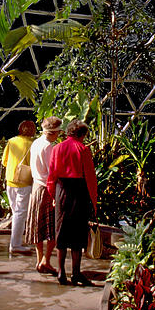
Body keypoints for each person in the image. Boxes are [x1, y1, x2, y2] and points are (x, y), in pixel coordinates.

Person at [46, 119, 98, 286]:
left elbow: (52, 174)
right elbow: (90, 177)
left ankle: (61, 272)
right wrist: (94, 201)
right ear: (81, 135)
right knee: (78, 233)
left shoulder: (57, 148)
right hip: (79, 192)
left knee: (61, 230)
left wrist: (53, 195)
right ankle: (76, 273)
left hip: (62, 190)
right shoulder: (83, 149)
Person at [23, 116, 62, 275]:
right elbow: (52, 171)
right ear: (53, 132)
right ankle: (46, 259)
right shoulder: (48, 147)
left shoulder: (36, 143)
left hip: (36, 187)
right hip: (47, 188)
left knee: (37, 226)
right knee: (51, 228)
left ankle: (39, 260)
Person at [2, 120, 36, 254]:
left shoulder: (11, 141)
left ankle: (17, 242)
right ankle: (15, 244)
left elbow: (5, 162)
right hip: (24, 182)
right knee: (20, 213)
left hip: (10, 180)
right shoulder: (32, 144)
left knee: (16, 212)